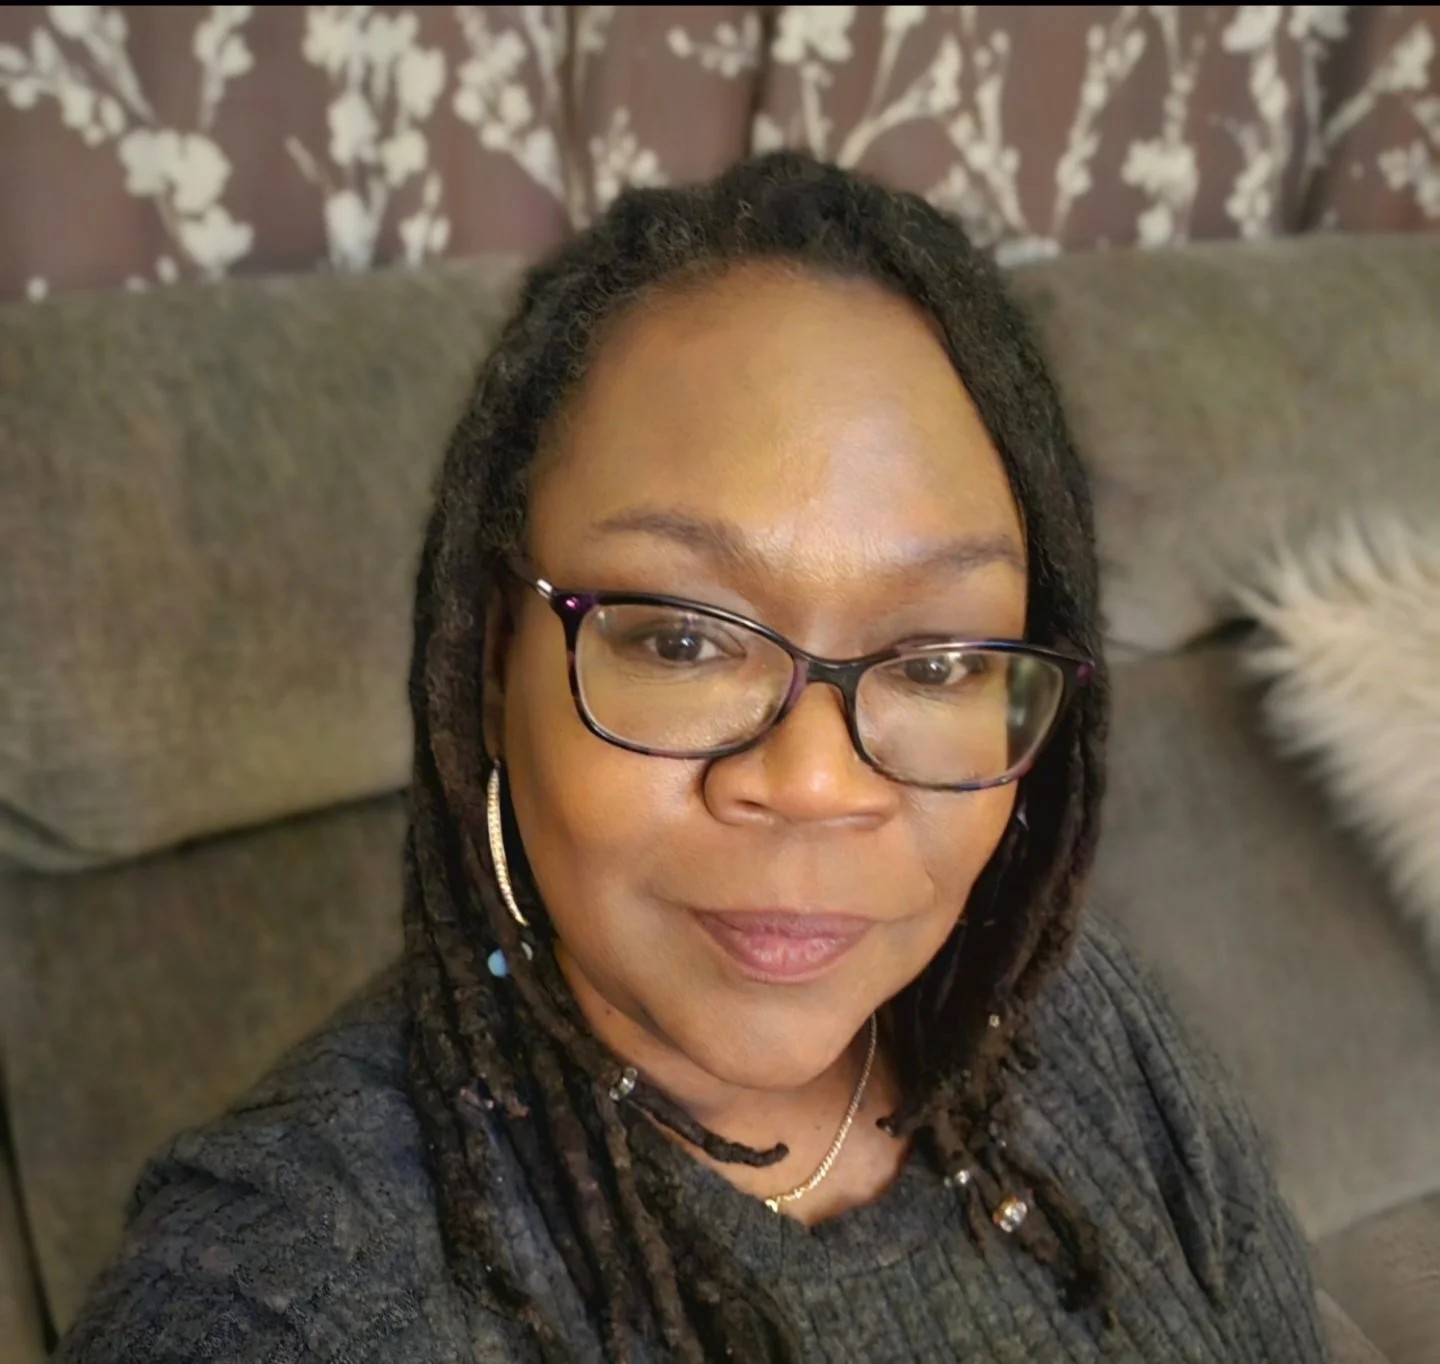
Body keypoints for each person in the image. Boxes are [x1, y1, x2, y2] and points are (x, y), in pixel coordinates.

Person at [55, 152, 1327, 1363]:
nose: (819, 780)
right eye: (678, 638)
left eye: (938, 659)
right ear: (494, 663)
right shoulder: (279, 1296)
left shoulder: (1081, 1017)